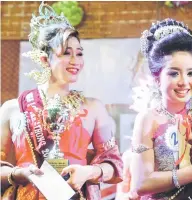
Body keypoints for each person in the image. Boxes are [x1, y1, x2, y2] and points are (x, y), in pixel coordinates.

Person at [0, 2, 122, 200]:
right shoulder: (13, 109)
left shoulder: (92, 108)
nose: (76, 61)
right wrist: (18, 174)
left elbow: (115, 164)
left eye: (79, 53)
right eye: (66, 53)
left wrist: (89, 172)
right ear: (45, 60)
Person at [129, 18, 192, 199]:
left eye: (191, 73)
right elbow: (141, 184)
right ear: (156, 78)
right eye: (174, 73)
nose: (184, 82)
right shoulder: (148, 119)